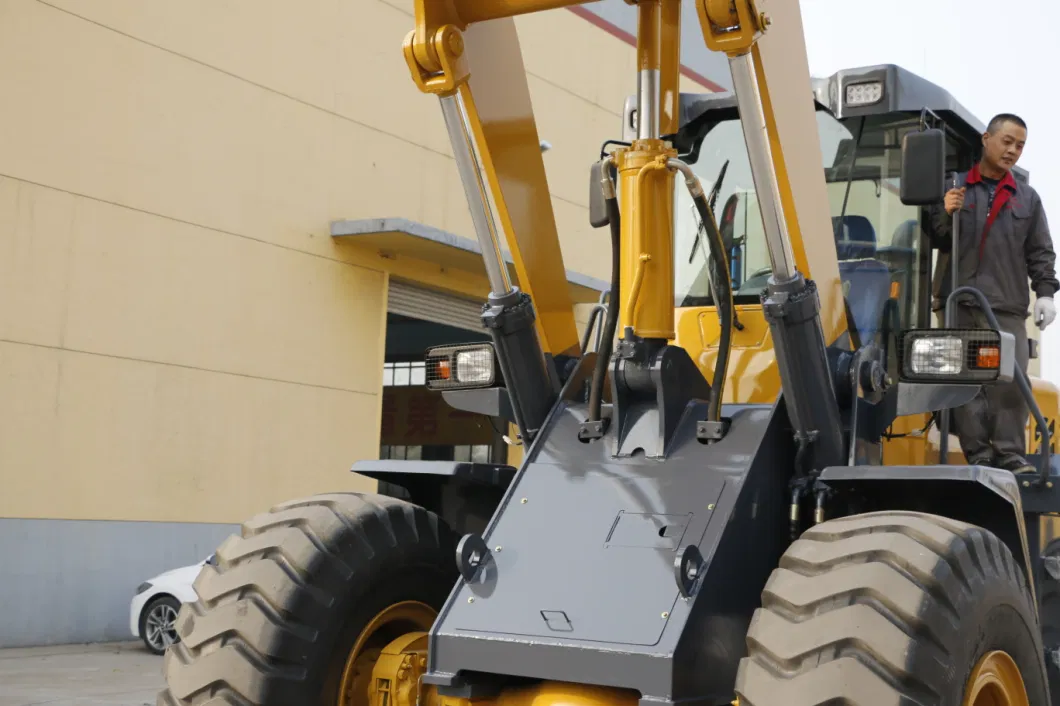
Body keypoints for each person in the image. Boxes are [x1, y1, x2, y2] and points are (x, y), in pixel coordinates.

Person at [928, 113, 1058, 474]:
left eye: (1020, 146)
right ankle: (978, 454)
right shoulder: (952, 186)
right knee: (966, 382)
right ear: (987, 139)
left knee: (1009, 382)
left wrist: (1045, 293)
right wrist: (945, 211)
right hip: (957, 300)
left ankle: (1011, 456)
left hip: (1005, 304)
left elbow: (1040, 252)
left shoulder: (1027, 199)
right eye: (1007, 141)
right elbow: (934, 236)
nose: (1013, 150)